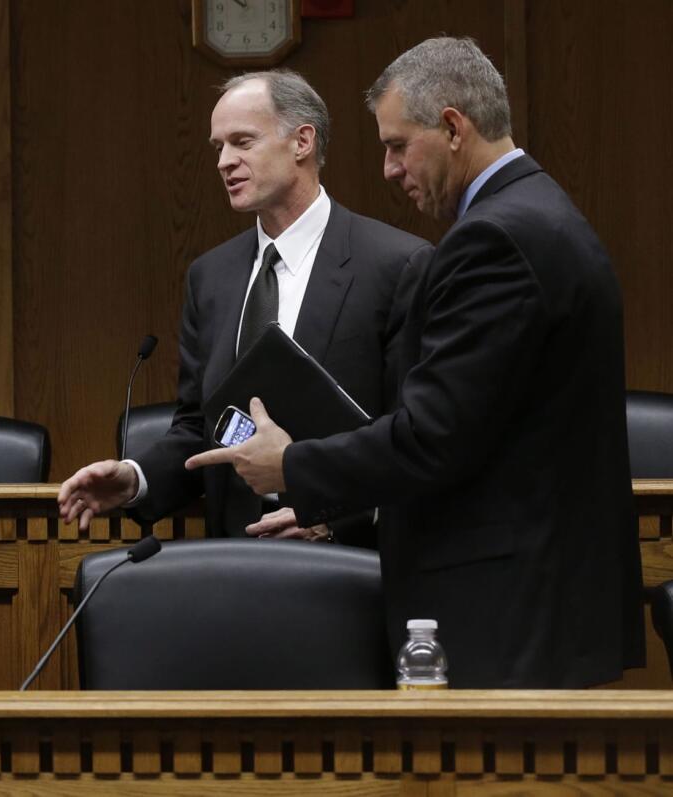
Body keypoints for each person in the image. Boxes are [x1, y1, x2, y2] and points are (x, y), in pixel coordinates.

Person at [187, 37, 645, 688]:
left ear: (453, 127)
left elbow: (434, 436)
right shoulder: (544, 213)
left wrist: (290, 464)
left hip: (511, 610)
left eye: (399, 145)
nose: (388, 170)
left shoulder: (494, 240)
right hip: (541, 600)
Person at [58, 70, 431, 542]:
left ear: (302, 142)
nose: (224, 162)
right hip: (236, 558)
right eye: (218, 147)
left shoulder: (396, 265)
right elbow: (203, 428)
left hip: (350, 561)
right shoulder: (211, 276)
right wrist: (136, 478)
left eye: (242, 142)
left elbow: (414, 435)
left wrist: (336, 518)